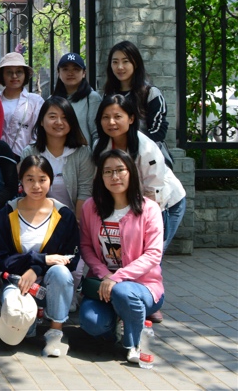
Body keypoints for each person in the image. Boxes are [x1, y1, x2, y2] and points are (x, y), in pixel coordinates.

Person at [79, 149, 164, 365]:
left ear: (131, 172)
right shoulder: (91, 207)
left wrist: (117, 278)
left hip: (141, 286)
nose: (114, 176)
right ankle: (118, 324)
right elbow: (86, 247)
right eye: (108, 172)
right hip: (103, 285)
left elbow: (153, 254)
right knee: (91, 322)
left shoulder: (149, 209)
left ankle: (132, 343)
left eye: (120, 170)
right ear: (101, 177)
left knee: (123, 291)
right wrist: (105, 274)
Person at [0, 155, 80, 358]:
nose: (36, 186)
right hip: (16, 281)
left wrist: (37, 268)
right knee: (19, 330)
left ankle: (56, 332)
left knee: (60, 272)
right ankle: (29, 322)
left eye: (42, 179)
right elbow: (0, 259)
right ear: (21, 181)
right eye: (30, 179)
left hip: (50, 285)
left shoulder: (63, 215)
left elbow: (71, 258)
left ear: (50, 180)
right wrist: (41, 259)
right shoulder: (7, 212)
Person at [93, 95, 186, 253]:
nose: (111, 122)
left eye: (117, 117)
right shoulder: (100, 146)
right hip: (131, 202)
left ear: (131, 119)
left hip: (164, 203)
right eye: (106, 117)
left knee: (151, 253)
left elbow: (154, 189)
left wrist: (143, 220)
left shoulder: (146, 147)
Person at [21, 97, 94, 216]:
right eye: (52, 117)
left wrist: (75, 222)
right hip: (38, 218)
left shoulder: (83, 153)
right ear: (41, 121)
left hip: (72, 219)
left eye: (65, 117)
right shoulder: (29, 152)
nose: (59, 122)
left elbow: (85, 192)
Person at [104, 40, 168, 144]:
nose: (120, 67)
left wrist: (131, 144)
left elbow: (158, 132)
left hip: (145, 150)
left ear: (136, 63)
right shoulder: (109, 93)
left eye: (125, 61)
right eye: (115, 62)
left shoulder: (150, 93)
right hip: (116, 150)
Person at [0, 52, 44, 156]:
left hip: (27, 158)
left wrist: (28, 158)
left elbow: (39, 134)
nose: (14, 76)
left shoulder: (35, 101)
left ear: (25, 74)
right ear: (2, 75)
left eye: (19, 72)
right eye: (9, 72)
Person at [52, 52, 101, 145]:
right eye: (65, 69)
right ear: (58, 73)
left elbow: (97, 134)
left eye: (76, 69)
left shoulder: (92, 98)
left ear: (84, 73)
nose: (70, 73)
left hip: (84, 152)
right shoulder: (51, 100)